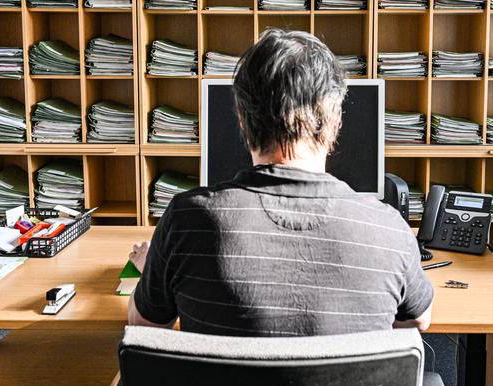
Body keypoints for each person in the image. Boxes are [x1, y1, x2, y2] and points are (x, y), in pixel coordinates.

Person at [127, 29, 433, 336]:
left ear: (243, 120)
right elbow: (417, 321)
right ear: (335, 120)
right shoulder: (388, 229)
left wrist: (153, 272)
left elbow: (144, 326)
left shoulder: (186, 222)